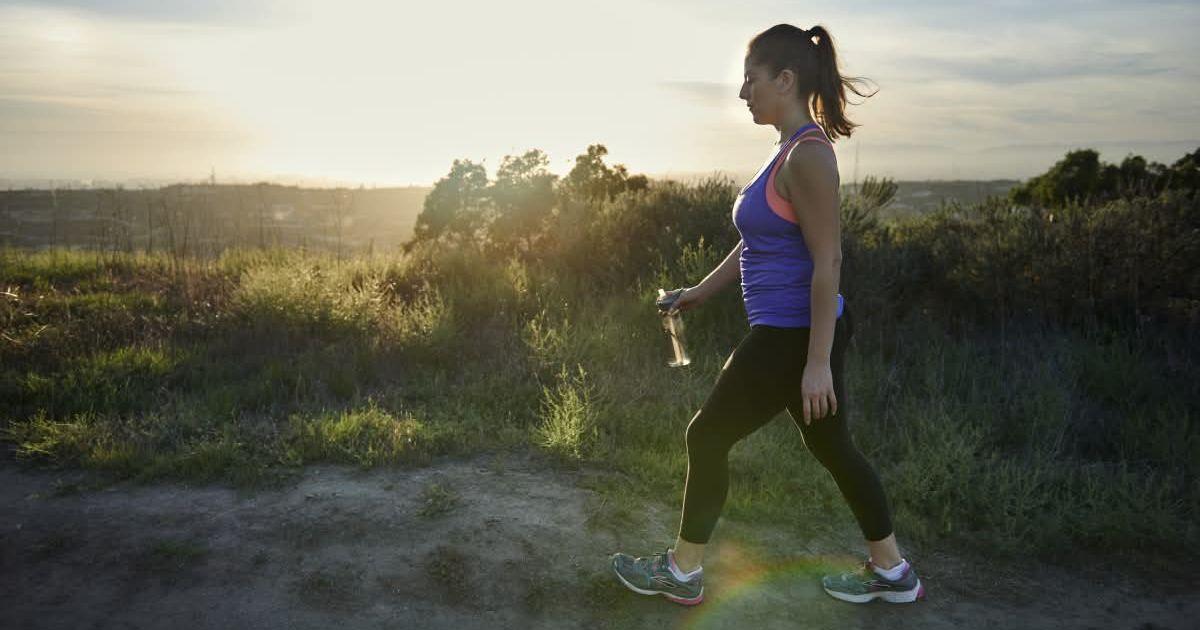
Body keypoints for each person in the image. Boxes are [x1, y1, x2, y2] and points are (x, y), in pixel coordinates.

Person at [610, 23, 925, 606]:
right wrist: (700, 292)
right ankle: (893, 572)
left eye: (750, 80)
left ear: (785, 80)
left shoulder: (808, 156)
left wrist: (817, 362)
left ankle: (681, 572)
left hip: (793, 333)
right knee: (833, 448)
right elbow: (755, 242)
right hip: (790, 331)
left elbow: (828, 261)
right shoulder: (784, 152)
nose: (742, 93)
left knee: (705, 437)